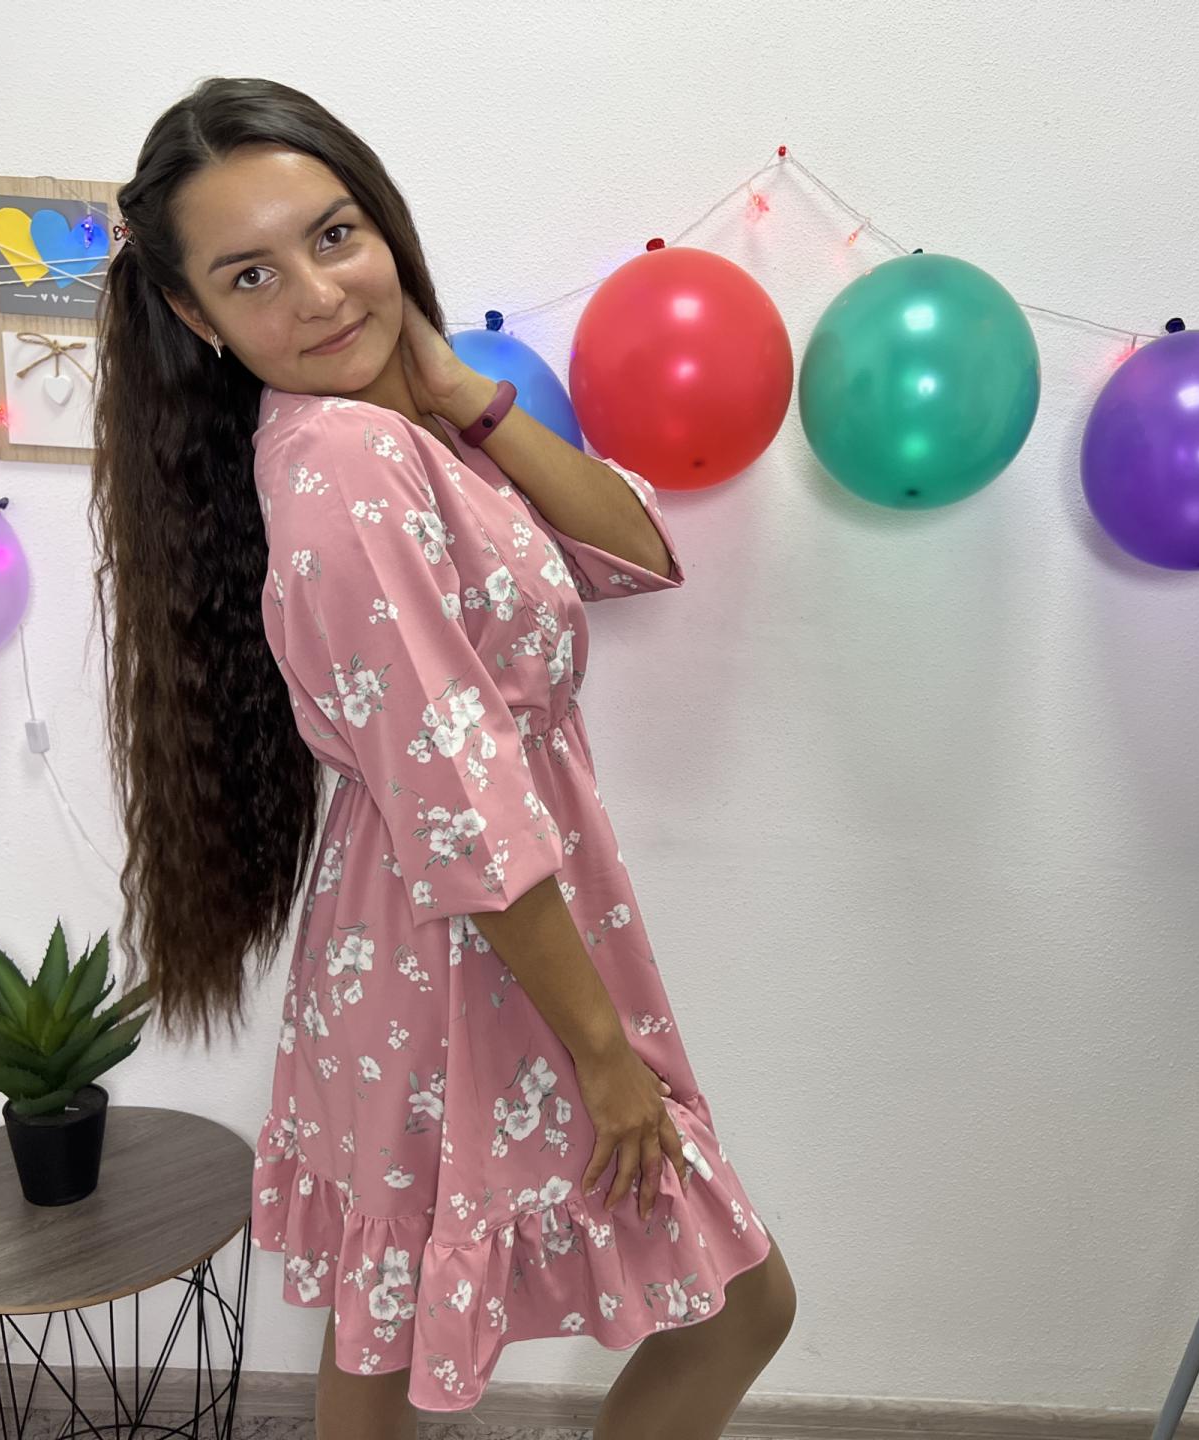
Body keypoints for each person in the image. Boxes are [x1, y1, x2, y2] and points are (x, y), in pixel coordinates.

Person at [89, 76, 795, 1439]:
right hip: (466, 946)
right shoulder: (345, 464)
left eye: (334, 235)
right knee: (735, 1305)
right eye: (251, 275)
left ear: (383, 225)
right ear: (195, 315)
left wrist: (462, 392)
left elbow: (636, 555)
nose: (318, 295)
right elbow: (461, 797)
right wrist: (604, 1055)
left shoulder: (393, 433)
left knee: (394, 1310)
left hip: (450, 930)